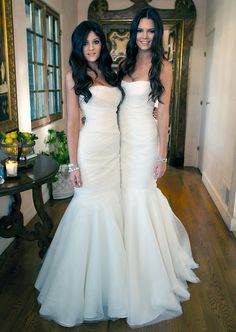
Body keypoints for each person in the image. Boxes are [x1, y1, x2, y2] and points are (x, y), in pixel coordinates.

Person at [35, 20, 127, 327]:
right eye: (85, 42)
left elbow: (120, 110)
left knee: (113, 210)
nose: (91, 47)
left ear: (102, 44)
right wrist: (73, 164)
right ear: (78, 46)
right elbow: (73, 123)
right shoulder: (73, 74)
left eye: (96, 41)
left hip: (114, 151)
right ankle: (79, 288)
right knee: (88, 209)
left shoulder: (110, 73)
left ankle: (113, 281)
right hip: (90, 152)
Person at [118, 7, 199, 328]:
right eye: (141, 30)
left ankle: (145, 270)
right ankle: (120, 259)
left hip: (143, 143)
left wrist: (161, 155)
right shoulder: (124, 64)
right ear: (134, 32)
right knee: (123, 197)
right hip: (119, 141)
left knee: (139, 196)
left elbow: (163, 114)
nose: (145, 36)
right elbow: (114, 99)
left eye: (152, 31)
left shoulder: (163, 67)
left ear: (158, 34)